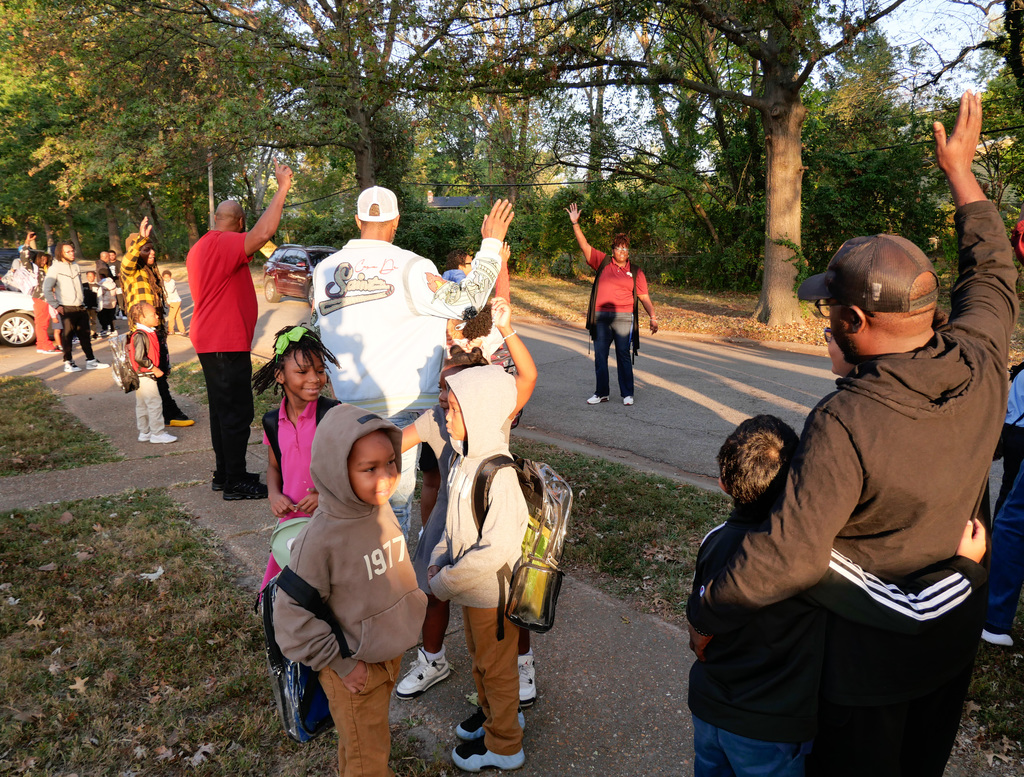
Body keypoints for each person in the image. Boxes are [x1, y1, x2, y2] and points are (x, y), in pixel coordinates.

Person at [686, 91, 1018, 777]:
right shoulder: (985, 360)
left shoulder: (846, 422)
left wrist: (706, 610)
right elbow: (992, 271)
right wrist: (961, 174)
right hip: (950, 646)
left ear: (856, 322)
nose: (822, 318)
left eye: (828, 307)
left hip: (865, 676)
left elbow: (791, 557)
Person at [689, 414, 988, 777]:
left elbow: (700, 612)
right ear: (800, 484)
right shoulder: (810, 561)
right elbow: (911, 610)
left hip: (707, 711)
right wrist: (966, 568)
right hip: (770, 731)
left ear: (722, 483)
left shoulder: (714, 540)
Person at [312, 189, 514, 536]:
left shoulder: (324, 270)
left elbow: (318, 331)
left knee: (357, 501)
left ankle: (358, 576)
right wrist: (491, 245)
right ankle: (390, 585)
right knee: (393, 508)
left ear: (358, 221)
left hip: (347, 405)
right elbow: (466, 304)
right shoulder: (412, 267)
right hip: (402, 405)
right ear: (396, 221)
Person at [396, 298, 539, 707]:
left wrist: (508, 330)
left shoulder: (494, 414)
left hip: (486, 517)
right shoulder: (435, 418)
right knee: (433, 591)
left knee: (508, 598)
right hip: (447, 520)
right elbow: (394, 442)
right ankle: (433, 659)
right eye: (441, 387)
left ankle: (523, 662)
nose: (442, 396)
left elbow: (528, 376)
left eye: (450, 388)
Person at [273, 404, 427, 777]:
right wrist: (341, 663)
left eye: (390, 463)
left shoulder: (377, 506)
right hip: (353, 666)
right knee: (366, 759)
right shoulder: (321, 538)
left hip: (386, 652)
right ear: (336, 471)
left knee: (364, 745)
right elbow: (289, 615)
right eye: (369, 469)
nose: (386, 477)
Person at [427, 364, 530, 773]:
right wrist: (438, 557)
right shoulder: (463, 461)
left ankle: (506, 745)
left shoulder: (499, 473)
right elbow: (451, 524)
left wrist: (446, 581)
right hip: (470, 590)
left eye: (454, 409)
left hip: (492, 595)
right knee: (481, 661)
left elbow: (496, 548)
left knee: (498, 668)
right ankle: (496, 720)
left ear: (482, 413)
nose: (447, 416)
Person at [187, 161, 294, 500]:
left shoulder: (204, 245)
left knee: (223, 412)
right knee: (236, 412)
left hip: (215, 341)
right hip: (223, 343)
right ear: (240, 223)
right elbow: (263, 235)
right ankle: (234, 483)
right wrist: (282, 189)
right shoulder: (221, 244)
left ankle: (226, 473)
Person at [252, 325, 340, 592]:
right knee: (289, 587)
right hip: (292, 522)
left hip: (331, 518)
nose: (314, 379)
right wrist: (274, 495)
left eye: (320, 371)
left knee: (331, 585)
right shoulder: (272, 421)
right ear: (280, 375)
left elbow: (348, 468)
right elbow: (274, 465)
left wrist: (323, 496)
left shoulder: (332, 415)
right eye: (302, 372)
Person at [565, 204, 658, 406]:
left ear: (628, 250)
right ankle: (601, 393)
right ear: (613, 250)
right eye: (618, 248)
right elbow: (584, 246)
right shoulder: (603, 262)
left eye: (625, 248)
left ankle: (627, 394)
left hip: (624, 318)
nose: (622, 251)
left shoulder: (636, 271)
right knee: (600, 356)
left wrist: (652, 316)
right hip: (601, 317)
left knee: (623, 355)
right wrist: (575, 223)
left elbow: (644, 297)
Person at [120, 224, 192, 428]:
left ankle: (162, 413)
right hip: (142, 332)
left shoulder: (151, 271)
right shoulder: (131, 272)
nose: (151, 252)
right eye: (145, 249)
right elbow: (127, 262)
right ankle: (168, 413)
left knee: (160, 371)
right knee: (153, 372)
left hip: (155, 329)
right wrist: (140, 240)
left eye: (152, 248)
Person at [42, 242, 109, 373]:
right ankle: (68, 362)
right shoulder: (55, 268)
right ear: (61, 253)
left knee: (85, 335)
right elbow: (47, 289)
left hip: (80, 307)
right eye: (69, 251)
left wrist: (83, 301)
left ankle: (91, 360)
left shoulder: (76, 266)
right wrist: (56, 306)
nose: (72, 253)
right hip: (66, 307)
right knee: (67, 336)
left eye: (73, 251)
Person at [128, 303, 177, 445]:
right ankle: (157, 433)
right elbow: (139, 357)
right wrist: (154, 368)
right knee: (154, 403)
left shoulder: (146, 332)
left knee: (142, 404)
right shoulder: (140, 335)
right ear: (142, 319)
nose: (157, 316)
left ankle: (145, 432)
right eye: (153, 315)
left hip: (142, 375)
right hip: (146, 375)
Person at [30, 251, 60, 354]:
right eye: (42, 259)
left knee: (43, 323)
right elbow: (25, 258)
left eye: (45, 260)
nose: (44, 261)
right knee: (41, 323)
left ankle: (41, 345)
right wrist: (27, 242)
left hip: (44, 298)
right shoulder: (34, 269)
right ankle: (46, 345)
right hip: (40, 298)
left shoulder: (43, 270)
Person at [162, 269, 187, 336]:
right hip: (174, 301)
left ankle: (170, 330)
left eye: (168, 277)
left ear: (171, 277)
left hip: (175, 301)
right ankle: (182, 330)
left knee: (171, 316)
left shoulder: (171, 282)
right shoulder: (164, 283)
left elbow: (170, 290)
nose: (167, 279)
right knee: (177, 316)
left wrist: (163, 287)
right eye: (165, 277)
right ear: (163, 277)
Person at [97, 272, 118, 336]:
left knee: (102, 317)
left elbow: (100, 296)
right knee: (111, 317)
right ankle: (112, 330)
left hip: (104, 304)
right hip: (112, 303)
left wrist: (99, 306)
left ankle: (105, 329)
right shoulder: (113, 284)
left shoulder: (101, 284)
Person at [83, 270, 102, 340]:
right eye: (88, 276)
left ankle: (93, 333)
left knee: (93, 321)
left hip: (94, 306)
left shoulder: (98, 286)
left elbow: (100, 297)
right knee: (85, 321)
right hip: (85, 306)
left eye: (92, 276)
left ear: (95, 277)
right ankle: (86, 334)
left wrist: (100, 307)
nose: (90, 277)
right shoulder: (83, 285)